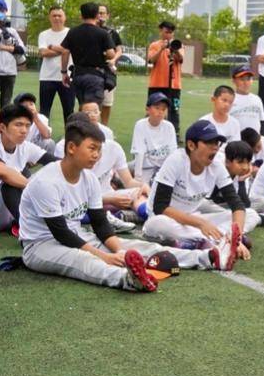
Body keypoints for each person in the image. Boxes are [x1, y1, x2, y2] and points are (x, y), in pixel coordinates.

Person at [18, 121, 236, 295]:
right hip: (41, 246)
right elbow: (61, 233)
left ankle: (209, 257)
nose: (97, 155)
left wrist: (118, 250)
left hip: (78, 236)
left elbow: (101, 225)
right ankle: (128, 280)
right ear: (72, 148)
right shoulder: (46, 181)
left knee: (139, 246)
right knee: (85, 260)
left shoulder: (89, 179)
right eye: (92, 148)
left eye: (99, 150)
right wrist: (105, 256)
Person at [140, 120, 249, 264]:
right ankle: (217, 241)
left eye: (217, 143)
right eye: (209, 143)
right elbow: (160, 207)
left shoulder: (216, 166)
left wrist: (238, 237)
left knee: (250, 214)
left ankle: (217, 241)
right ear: (191, 145)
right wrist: (201, 224)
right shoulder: (176, 161)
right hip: (169, 219)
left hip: (192, 218)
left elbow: (237, 205)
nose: (215, 148)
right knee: (157, 224)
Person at [0, 103, 58, 233]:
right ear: (3, 127)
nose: (24, 130)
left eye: (27, 125)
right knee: (11, 176)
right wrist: (36, 187)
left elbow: (58, 164)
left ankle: (38, 220)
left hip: (5, 214)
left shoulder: (25, 146)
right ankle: (29, 228)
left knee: (50, 172)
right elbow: (2, 172)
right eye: (18, 125)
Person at [57, 113, 148, 229]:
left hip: (106, 195)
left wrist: (144, 186)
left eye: (97, 148)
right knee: (72, 210)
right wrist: (111, 200)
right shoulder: (64, 149)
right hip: (82, 201)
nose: (95, 154)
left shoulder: (112, 147)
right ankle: (114, 216)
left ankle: (148, 215)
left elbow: (129, 182)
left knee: (138, 194)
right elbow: (73, 194)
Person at [60, 1, 116, 108]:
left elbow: (65, 51)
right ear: (97, 15)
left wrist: (64, 72)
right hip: (95, 76)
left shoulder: (73, 32)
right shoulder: (102, 33)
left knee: (82, 107)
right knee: (92, 109)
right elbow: (111, 54)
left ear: (81, 15)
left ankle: (80, 124)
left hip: (78, 75)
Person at [36, 6, 75, 121]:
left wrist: (53, 48)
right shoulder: (43, 34)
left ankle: (70, 137)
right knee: (44, 112)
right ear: (49, 17)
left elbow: (72, 50)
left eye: (59, 15)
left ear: (65, 17)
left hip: (67, 77)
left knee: (69, 111)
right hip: (47, 77)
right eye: (54, 15)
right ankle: (43, 138)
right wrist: (64, 50)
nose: (57, 18)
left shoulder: (71, 33)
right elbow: (43, 52)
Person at [146, 21, 183, 134]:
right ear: (160, 31)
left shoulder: (178, 45)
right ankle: (150, 130)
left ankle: (174, 133)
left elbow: (180, 59)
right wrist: (161, 49)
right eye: (166, 32)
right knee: (153, 108)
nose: (168, 35)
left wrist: (174, 49)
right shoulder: (154, 45)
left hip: (174, 85)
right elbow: (152, 60)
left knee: (174, 109)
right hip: (156, 84)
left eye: (171, 33)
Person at [131, 92, 177, 186]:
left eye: (164, 109)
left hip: (163, 168)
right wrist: (137, 178)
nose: (160, 112)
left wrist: (171, 174)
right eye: (157, 108)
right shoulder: (140, 125)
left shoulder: (169, 127)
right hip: (145, 167)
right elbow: (139, 153)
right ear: (147, 109)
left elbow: (173, 153)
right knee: (121, 173)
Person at [96, 5, 123, 124]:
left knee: (107, 103)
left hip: (108, 71)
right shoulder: (90, 30)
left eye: (103, 13)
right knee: (91, 103)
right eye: (98, 13)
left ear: (108, 15)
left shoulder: (113, 33)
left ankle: (105, 128)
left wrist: (113, 60)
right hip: (93, 70)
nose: (101, 15)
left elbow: (119, 50)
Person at [229, 65, 264, 134]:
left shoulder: (257, 99)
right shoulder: (229, 99)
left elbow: (262, 123)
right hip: (237, 142)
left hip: (255, 142)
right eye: (242, 79)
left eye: (248, 79)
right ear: (233, 80)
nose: (246, 83)